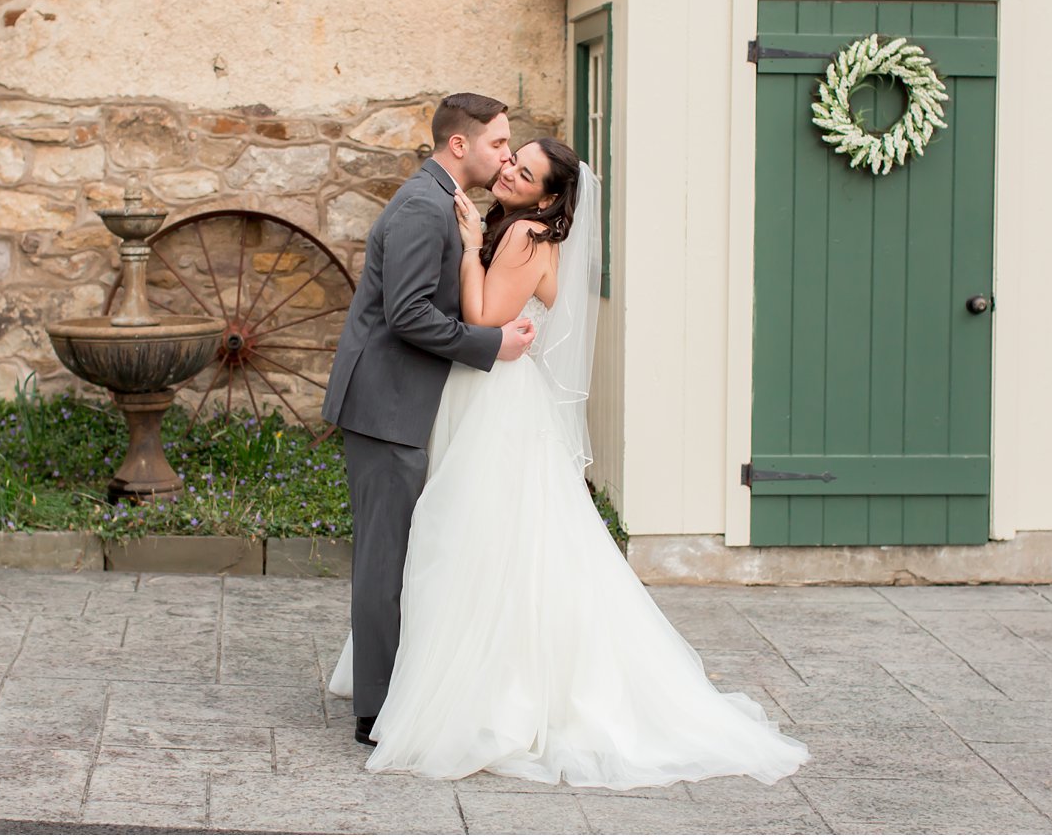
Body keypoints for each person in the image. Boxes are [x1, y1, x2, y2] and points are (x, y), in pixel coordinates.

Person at [329, 139, 810, 789]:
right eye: (509, 158)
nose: (507, 170)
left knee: (473, 539)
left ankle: (487, 690)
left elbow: (486, 318)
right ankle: (437, 674)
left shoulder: (525, 234)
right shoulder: (515, 222)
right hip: (479, 394)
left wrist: (471, 245)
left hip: (496, 402)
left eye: (523, 171)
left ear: (548, 198)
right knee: (472, 540)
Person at [321, 93, 539, 748]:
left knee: (402, 555)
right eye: (499, 143)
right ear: (458, 145)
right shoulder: (422, 207)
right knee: (384, 561)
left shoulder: (442, 199)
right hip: (386, 405)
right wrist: (490, 345)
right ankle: (376, 712)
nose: (505, 154)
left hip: (400, 402)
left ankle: (391, 692)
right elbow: (409, 314)